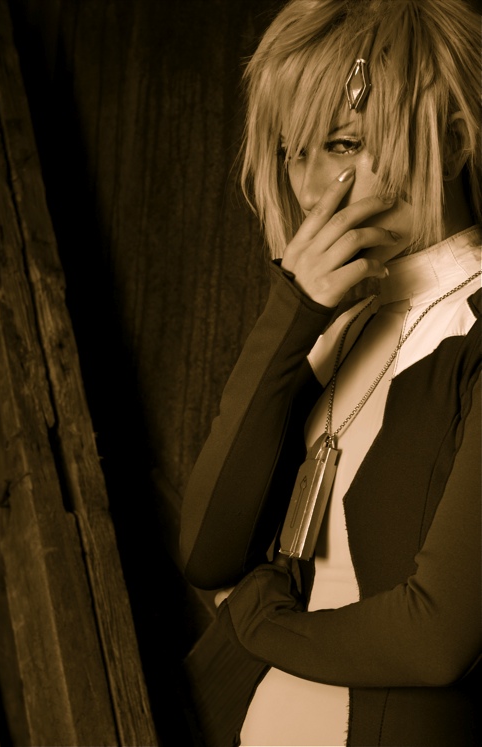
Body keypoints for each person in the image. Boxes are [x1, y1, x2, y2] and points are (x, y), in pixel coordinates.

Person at [179, 0, 481, 744]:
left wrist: (259, 617)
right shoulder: (337, 326)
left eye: (343, 143)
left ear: (448, 142)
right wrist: (293, 311)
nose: (311, 190)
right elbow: (207, 550)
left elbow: (437, 637)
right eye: (292, 151)